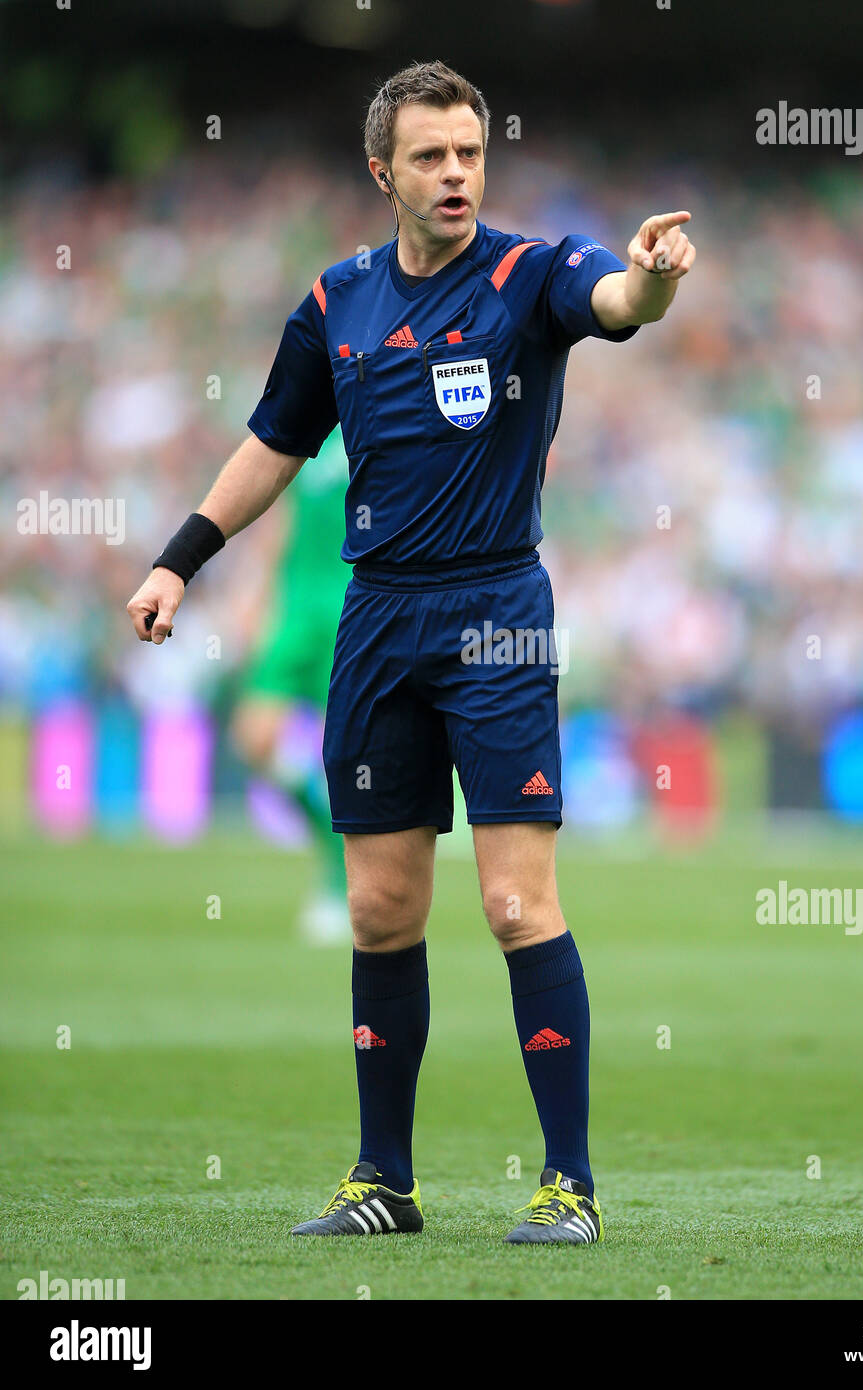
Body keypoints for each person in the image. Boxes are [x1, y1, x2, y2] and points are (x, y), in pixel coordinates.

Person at [126, 59, 695, 1246]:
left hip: (497, 617)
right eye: (431, 156)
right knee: (382, 910)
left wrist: (646, 280)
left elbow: (618, 308)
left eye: (471, 153)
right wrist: (180, 556)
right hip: (377, 620)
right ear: (381, 170)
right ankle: (385, 1179)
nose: (455, 175)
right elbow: (274, 444)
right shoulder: (336, 302)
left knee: (511, 900)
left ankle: (569, 1184)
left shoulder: (533, 273)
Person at [230, 426, 353, 945]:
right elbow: (278, 515)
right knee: (253, 740)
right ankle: (330, 841)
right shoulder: (310, 424)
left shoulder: (387, 414)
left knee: (347, 760)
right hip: (296, 611)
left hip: (355, 605)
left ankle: (337, 885)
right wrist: (254, 595)